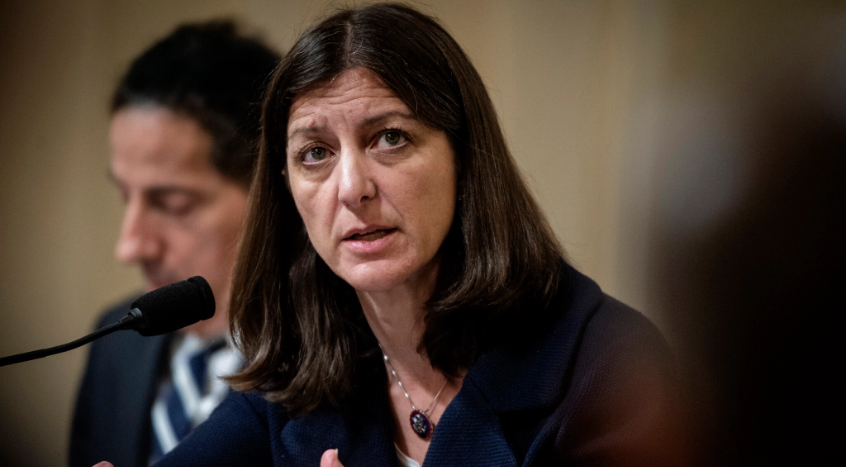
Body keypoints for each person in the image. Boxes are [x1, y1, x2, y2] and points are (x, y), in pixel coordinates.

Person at [97, 4, 685, 466]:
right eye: (315, 153)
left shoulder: (610, 366)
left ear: (465, 157)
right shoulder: (295, 373)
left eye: (390, 138)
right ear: (287, 191)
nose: (351, 188)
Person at [69, 21, 279, 467]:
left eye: (172, 203)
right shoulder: (115, 343)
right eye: (126, 196)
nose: (130, 247)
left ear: (271, 194)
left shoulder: (350, 359)